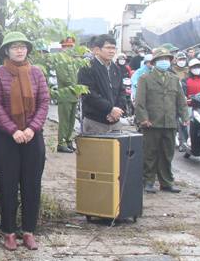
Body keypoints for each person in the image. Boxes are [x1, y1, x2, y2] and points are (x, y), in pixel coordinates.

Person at [0, 31, 50, 251]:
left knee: (32, 185)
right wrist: (14, 130)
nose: (19, 50)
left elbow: (44, 102)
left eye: (23, 46)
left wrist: (32, 129)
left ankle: (29, 231)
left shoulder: (36, 73)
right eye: (14, 46)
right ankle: (9, 232)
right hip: (7, 138)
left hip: (33, 137)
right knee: (8, 185)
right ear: (6, 50)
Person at [135, 47, 188, 194]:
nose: (164, 62)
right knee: (149, 153)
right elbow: (140, 102)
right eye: (161, 59)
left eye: (166, 59)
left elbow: (181, 101)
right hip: (152, 123)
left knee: (167, 154)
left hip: (169, 122)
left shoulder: (174, 79)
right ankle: (148, 181)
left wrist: (185, 117)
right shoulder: (145, 78)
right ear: (154, 62)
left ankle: (166, 182)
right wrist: (144, 119)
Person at [77, 34, 128, 135]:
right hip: (95, 121)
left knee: (116, 150)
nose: (112, 51)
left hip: (115, 120)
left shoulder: (116, 69)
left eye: (114, 48)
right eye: (108, 47)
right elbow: (89, 94)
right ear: (97, 50)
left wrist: (117, 111)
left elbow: (121, 91)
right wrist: (110, 109)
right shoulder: (87, 68)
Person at [54, 41, 81, 153]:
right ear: (63, 47)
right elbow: (64, 78)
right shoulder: (60, 61)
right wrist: (77, 88)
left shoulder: (73, 60)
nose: (69, 48)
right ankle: (61, 143)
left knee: (71, 121)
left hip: (74, 95)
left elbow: (77, 77)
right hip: (65, 95)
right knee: (64, 121)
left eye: (71, 46)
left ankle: (69, 140)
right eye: (67, 46)